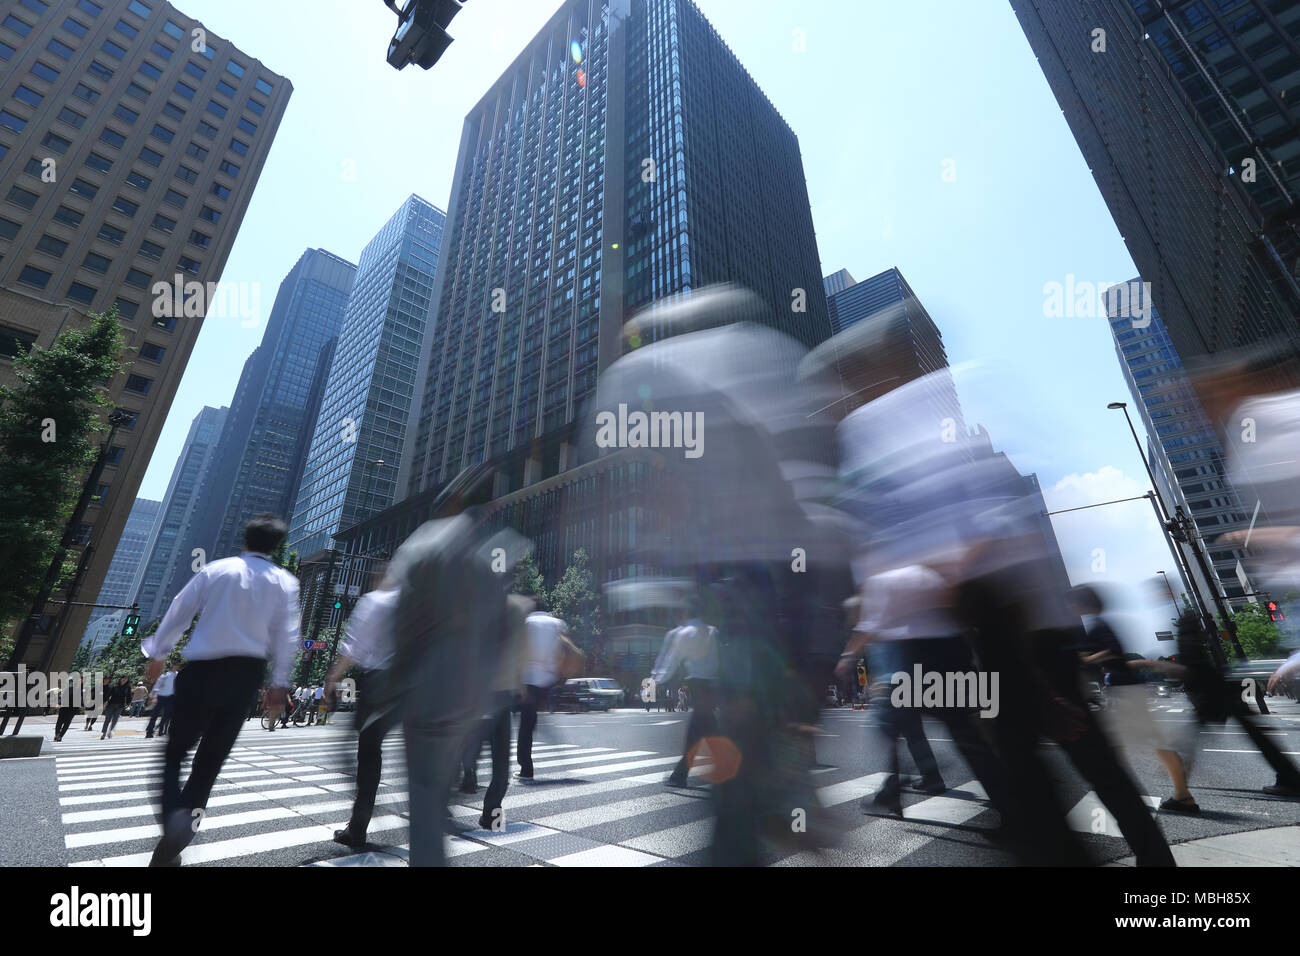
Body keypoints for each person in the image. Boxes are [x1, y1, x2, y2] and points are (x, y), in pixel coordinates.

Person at [141, 513, 300, 867]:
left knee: (174, 755)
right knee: (208, 765)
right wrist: (279, 683)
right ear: (277, 547)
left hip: (201, 671)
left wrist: (158, 652)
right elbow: (287, 637)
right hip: (245, 676)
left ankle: (172, 821)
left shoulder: (218, 569)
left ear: (245, 540)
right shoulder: (285, 582)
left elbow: (179, 609)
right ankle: (175, 845)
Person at [1066, 585, 1198, 814]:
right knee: (1152, 742)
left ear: (1081, 603)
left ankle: (1126, 798)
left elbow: (1114, 650)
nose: (1071, 607)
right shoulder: (1101, 623)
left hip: (1123, 692)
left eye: (1072, 602)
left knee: (1111, 745)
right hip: (1127, 689)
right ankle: (1181, 795)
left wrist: (1087, 660)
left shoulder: (1099, 624)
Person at [328, 571, 400, 850]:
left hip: (380, 681)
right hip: (410, 683)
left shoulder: (373, 601)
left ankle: (358, 826)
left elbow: (354, 646)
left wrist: (333, 676)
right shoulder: (412, 602)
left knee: (367, 752)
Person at [655, 600, 720, 789]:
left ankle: (680, 775)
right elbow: (717, 659)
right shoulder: (713, 631)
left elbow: (672, 660)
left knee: (698, 730)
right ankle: (681, 774)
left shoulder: (684, 633)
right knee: (706, 729)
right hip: (710, 683)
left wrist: (657, 680)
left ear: (685, 613)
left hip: (697, 684)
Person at [517, 602, 566, 781]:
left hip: (528, 679)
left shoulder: (527, 622)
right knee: (531, 721)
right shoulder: (557, 623)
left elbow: (520, 650)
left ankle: (526, 769)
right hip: (548, 680)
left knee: (525, 726)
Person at [145, 664, 177, 738]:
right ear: (172, 667)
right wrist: (152, 697)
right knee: (155, 715)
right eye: (175, 665)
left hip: (171, 698)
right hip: (161, 697)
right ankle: (149, 731)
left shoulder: (178, 675)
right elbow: (157, 686)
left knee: (167, 716)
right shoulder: (165, 676)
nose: (176, 667)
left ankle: (160, 730)